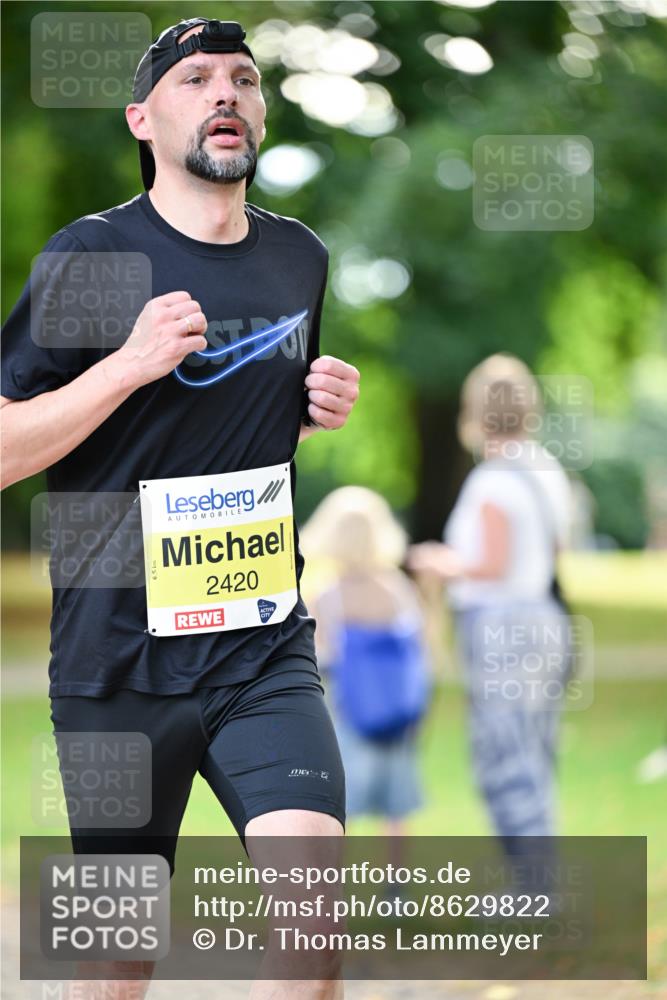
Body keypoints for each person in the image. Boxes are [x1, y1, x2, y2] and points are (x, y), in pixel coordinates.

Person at [1, 17, 360, 999]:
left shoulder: (300, 258)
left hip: (260, 647)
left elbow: (241, 434)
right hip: (114, 660)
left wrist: (309, 407)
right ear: (142, 118)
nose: (224, 94)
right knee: (116, 962)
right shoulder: (91, 257)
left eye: (242, 78)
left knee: (313, 924)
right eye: (194, 78)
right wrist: (125, 365)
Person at [409, 355, 573, 888]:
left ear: (476, 412)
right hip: (546, 620)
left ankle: (533, 890)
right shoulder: (545, 468)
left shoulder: (493, 479)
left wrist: (438, 561)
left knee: (504, 759)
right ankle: (539, 881)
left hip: (503, 626)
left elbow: (491, 565)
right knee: (535, 754)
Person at [302, 488, 431, 875]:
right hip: (397, 712)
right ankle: (396, 884)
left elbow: (320, 656)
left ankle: (333, 880)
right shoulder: (396, 587)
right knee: (397, 806)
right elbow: (421, 643)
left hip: (349, 711)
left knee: (344, 801)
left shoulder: (328, 595)